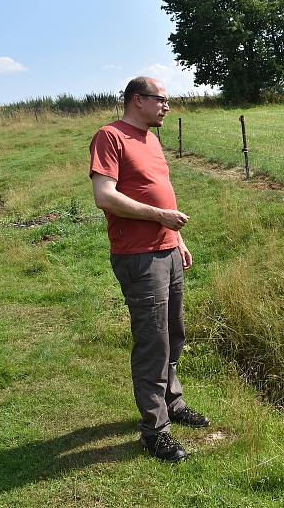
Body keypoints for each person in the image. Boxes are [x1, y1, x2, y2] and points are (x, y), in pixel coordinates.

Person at [89, 76, 209, 462]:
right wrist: (160, 216)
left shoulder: (153, 140)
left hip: (167, 250)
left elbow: (159, 189)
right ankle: (154, 430)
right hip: (139, 256)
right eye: (161, 100)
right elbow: (104, 196)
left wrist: (178, 240)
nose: (167, 106)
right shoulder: (110, 137)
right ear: (137, 100)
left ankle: (172, 402)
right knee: (152, 343)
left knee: (173, 335)